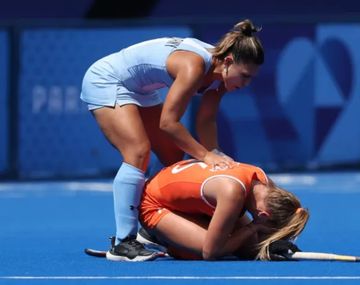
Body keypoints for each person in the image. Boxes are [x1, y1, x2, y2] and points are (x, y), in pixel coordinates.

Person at [80, 19, 264, 261]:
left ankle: (150, 230)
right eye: (245, 76)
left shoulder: (220, 80)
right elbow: (168, 123)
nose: (246, 84)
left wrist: (215, 156)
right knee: (138, 152)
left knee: (173, 159)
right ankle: (124, 243)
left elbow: (206, 122)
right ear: (228, 62)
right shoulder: (194, 66)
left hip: (142, 90)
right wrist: (206, 156)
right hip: (107, 79)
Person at [139, 159, 309, 260]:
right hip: (153, 202)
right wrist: (253, 228)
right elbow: (211, 252)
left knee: (244, 247)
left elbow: (250, 248)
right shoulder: (232, 194)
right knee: (212, 251)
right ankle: (156, 237)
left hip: (177, 191)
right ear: (263, 216)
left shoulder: (265, 183)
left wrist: (266, 248)